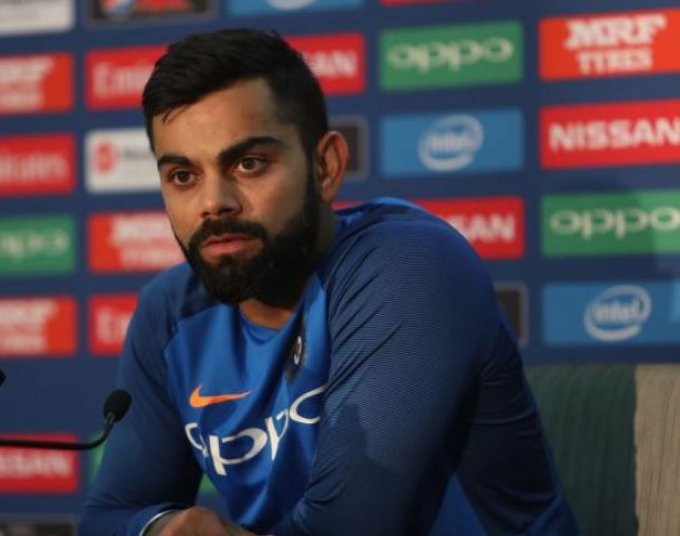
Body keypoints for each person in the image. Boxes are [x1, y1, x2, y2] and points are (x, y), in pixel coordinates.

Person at [80, 29, 578, 536]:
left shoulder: (411, 268)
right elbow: (107, 516)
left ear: (326, 167)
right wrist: (161, 527)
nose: (214, 203)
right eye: (183, 176)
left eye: (249, 164)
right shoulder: (172, 312)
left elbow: (346, 527)